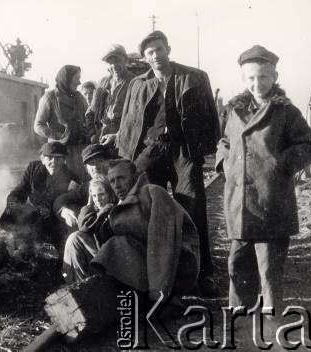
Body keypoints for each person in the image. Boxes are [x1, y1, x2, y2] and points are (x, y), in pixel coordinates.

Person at [101, 30, 220, 296]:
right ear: (145, 57)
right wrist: (125, 152)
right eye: (150, 52)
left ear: (168, 48)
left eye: (159, 49)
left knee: (192, 208)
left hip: (183, 152)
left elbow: (211, 116)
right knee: (147, 211)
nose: (156, 56)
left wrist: (205, 150)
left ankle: (203, 273)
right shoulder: (138, 84)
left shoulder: (194, 77)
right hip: (150, 152)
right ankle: (152, 275)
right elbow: (129, 123)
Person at [216, 45, 311, 315]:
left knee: (269, 269)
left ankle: (271, 324)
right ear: (243, 79)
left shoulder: (285, 111)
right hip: (240, 203)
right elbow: (225, 140)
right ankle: (239, 322)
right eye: (250, 78)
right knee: (238, 265)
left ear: (274, 76)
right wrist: (223, 162)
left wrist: (280, 164)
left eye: (263, 77)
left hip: (271, 201)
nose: (257, 83)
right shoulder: (235, 109)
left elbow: (309, 145)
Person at [63, 159, 200, 300]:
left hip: (177, 268)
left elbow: (163, 242)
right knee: (76, 239)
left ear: (135, 177)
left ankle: (113, 298)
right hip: (141, 262)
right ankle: (80, 296)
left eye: (121, 178)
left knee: (119, 243)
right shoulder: (121, 203)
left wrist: (158, 294)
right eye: (112, 181)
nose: (117, 185)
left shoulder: (153, 193)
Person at [0, 142, 79, 253]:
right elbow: (21, 189)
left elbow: (68, 201)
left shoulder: (72, 178)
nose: (54, 162)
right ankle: (19, 245)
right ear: (43, 159)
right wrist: (14, 202)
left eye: (58, 158)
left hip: (54, 218)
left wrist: (53, 210)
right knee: (17, 209)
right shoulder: (33, 169)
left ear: (64, 160)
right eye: (50, 158)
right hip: (33, 213)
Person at [34, 65, 89, 180]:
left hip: (79, 149)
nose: (79, 82)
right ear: (66, 79)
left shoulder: (80, 98)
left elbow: (88, 119)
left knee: (80, 181)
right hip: (58, 152)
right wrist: (58, 136)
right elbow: (38, 125)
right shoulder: (50, 98)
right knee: (62, 182)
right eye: (76, 78)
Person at [62, 176, 117, 282]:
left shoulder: (111, 209)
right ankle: (77, 281)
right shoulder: (99, 212)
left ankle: (76, 282)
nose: (98, 199)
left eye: (101, 194)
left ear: (110, 194)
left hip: (110, 260)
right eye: (94, 196)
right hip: (99, 257)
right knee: (74, 238)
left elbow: (84, 229)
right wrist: (89, 205)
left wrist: (96, 209)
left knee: (75, 238)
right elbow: (83, 226)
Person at [53, 143, 113, 229]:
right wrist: (65, 212)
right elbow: (60, 200)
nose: (96, 167)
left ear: (108, 162)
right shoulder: (86, 186)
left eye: (100, 161)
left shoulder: (117, 181)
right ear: (86, 169)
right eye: (91, 163)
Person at [86, 44, 135, 143]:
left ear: (125, 60)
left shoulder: (135, 82)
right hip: (101, 136)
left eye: (117, 60)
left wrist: (119, 136)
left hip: (124, 137)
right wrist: (92, 134)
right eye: (110, 62)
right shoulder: (103, 83)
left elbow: (137, 117)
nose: (114, 66)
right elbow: (90, 112)